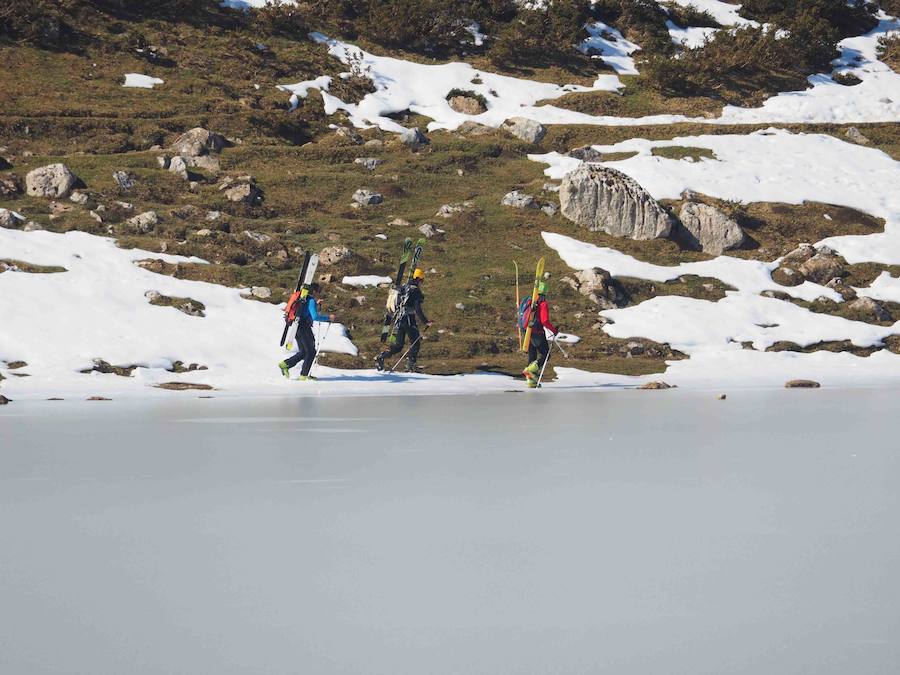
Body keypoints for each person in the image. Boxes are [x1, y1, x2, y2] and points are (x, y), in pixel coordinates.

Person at [376, 268, 433, 372]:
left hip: (399, 319)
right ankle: (411, 366)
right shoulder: (415, 290)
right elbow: (417, 309)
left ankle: (381, 357)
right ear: (419, 279)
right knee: (415, 343)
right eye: (422, 280)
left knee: (398, 346)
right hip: (409, 320)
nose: (422, 283)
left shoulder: (404, 287)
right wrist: (426, 321)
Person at [278, 283, 334, 381]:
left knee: (304, 351)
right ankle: (304, 375)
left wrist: (316, 303)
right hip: (303, 327)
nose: (319, 293)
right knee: (311, 351)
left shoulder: (304, 299)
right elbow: (315, 317)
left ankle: (285, 364)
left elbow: (305, 310)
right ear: (315, 291)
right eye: (319, 291)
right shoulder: (311, 300)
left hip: (296, 326)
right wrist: (328, 317)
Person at [522, 281, 559, 388]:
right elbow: (545, 321)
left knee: (532, 356)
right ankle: (530, 370)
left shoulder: (530, 301)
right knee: (546, 354)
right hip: (537, 332)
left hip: (527, 331)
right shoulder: (543, 303)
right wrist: (553, 331)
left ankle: (531, 382)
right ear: (545, 292)